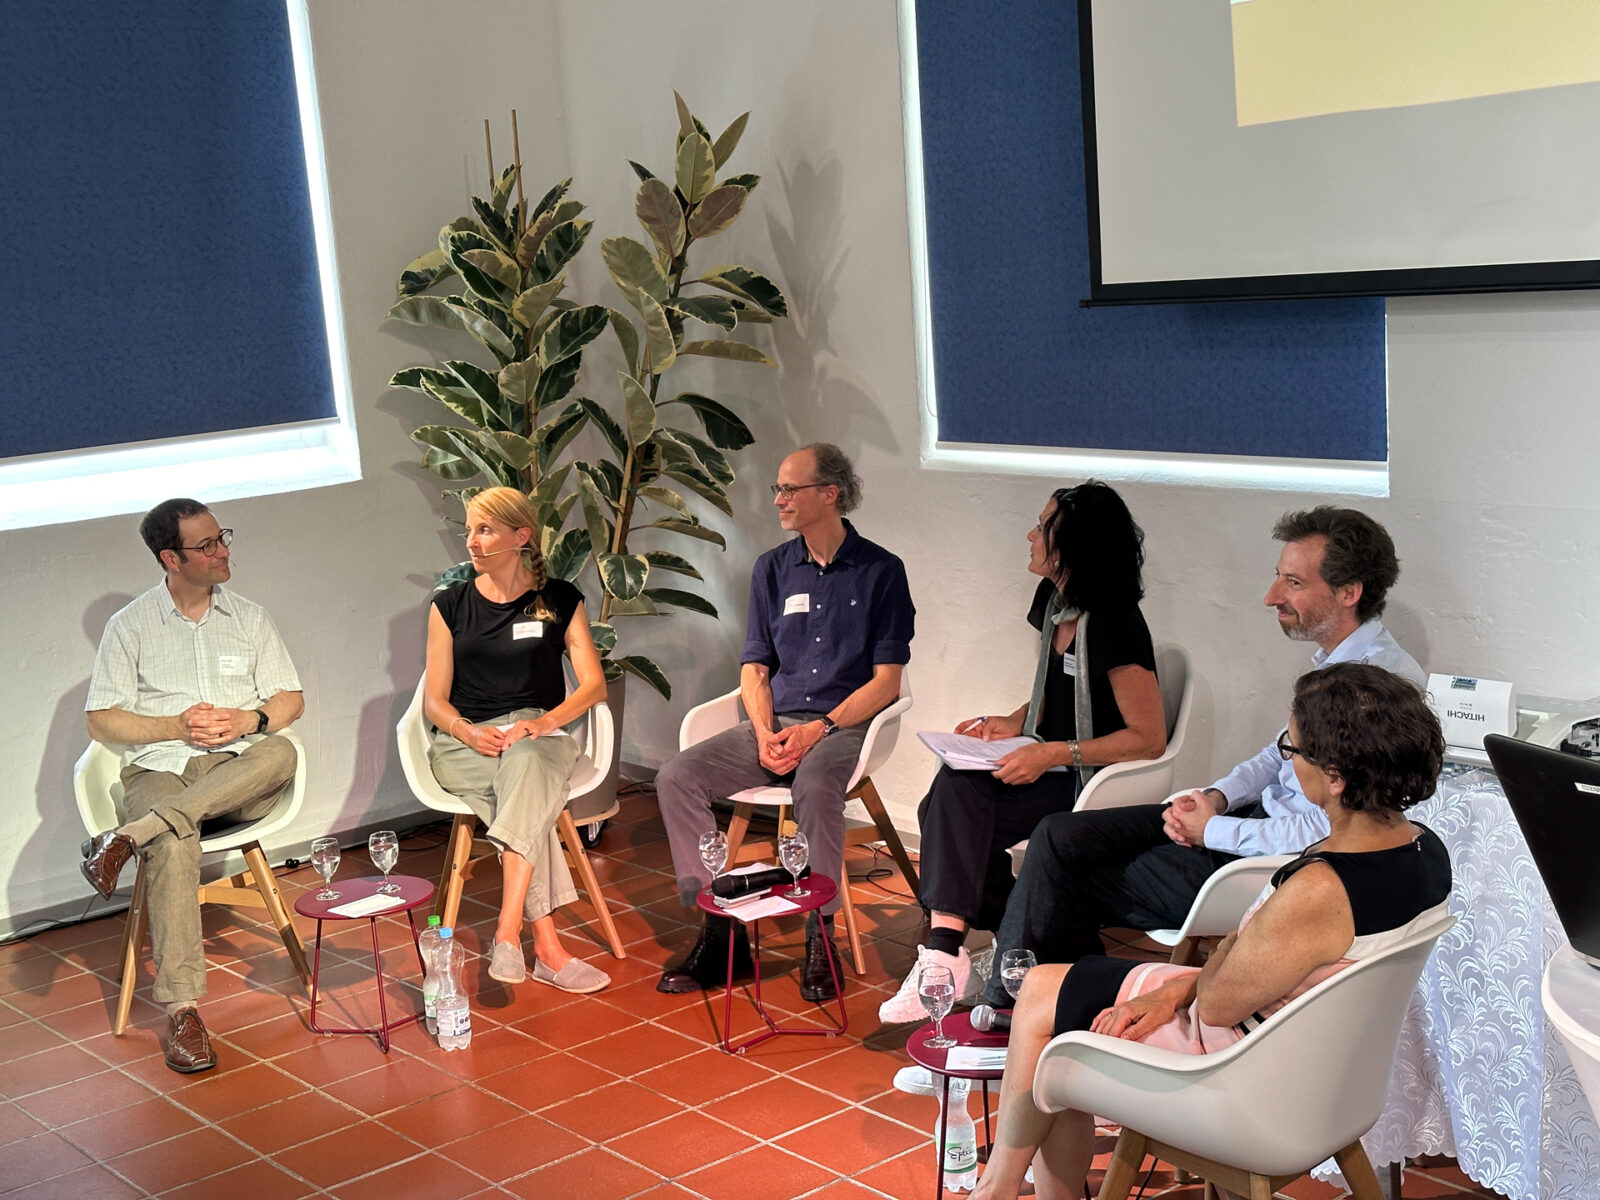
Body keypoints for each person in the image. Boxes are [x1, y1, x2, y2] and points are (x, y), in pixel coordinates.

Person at [971, 662, 1452, 1199]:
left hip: (1243, 1077)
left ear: (1336, 774)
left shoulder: (1320, 887)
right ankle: (1003, 1186)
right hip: (1327, 1073)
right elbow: (1255, 964)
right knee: (1051, 989)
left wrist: (1217, 959)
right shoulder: (1424, 849)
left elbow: (1220, 1004)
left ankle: (997, 1189)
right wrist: (1185, 982)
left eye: (1292, 751)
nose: (1287, 764)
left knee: (1046, 1010)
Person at [981, 506, 1424, 1008]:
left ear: (1349, 593)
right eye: (1279, 577)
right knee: (1059, 835)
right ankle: (1033, 992)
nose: (1271, 596)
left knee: (1062, 877)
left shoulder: (1376, 687)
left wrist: (1211, 830)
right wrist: (1214, 796)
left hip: (1262, 858)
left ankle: (1016, 1003)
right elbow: (1276, 754)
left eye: (1293, 583)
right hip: (1240, 823)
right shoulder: (1337, 663)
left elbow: (1324, 832)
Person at [878, 482, 1165, 1023]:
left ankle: (945, 955)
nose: (1030, 535)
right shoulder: (1054, 602)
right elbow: (1057, 689)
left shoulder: (1116, 623)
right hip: (1050, 756)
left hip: (1093, 775)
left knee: (953, 805)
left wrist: (1052, 752)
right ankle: (994, 947)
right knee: (948, 796)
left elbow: (1147, 737)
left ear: (1071, 545)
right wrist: (1010, 724)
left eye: (1042, 526)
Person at [655, 443, 915, 1002]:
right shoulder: (772, 569)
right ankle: (722, 931)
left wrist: (816, 731)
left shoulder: (882, 572)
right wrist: (767, 729)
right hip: (776, 722)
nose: (778, 500)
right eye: (777, 488)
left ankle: (821, 936)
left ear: (831, 493)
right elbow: (754, 666)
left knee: (817, 785)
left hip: (844, 726)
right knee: (676, 777)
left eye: (789, 489)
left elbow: (887, 682)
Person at [81, 499, 305, 1074]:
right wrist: (174, 726)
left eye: (221, 538)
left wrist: (248, 720)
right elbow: (102, 719)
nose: (223, 550)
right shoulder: (129, 626)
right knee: (174, 843)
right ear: (170, 558)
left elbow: (289, 700)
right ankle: (183, 1012)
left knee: (279, 751)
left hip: (232, 769)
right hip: (158, 769)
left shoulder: (251, 617)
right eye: (207, 545)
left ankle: (128, 836)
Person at [423, 486, 611, 993]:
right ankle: (546, 948)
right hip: (466, 743)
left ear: (521, 536)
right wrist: (466, 731)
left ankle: (508, 930)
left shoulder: (560, 599)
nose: (472, 543)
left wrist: (544, 724)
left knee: (526, 768)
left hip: (537, 732)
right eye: (469, 531)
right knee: (529, 801)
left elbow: (594, 685)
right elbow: (434, 701)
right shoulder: (449, 605)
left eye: (484, 530)